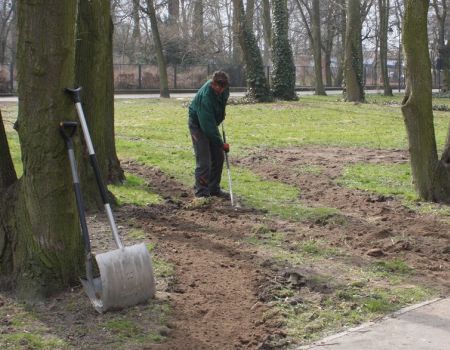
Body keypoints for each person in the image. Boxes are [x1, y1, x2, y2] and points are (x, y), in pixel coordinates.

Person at [188, 71, 230, 198]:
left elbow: (220, 104)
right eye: (218, 87)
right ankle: (201, 193)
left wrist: (220, 116)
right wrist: (221, 144)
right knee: (204, 161)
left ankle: (213, 189)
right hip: (198, 126)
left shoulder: (225, 89)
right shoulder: (206, 97)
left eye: (223, 88)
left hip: (210, 123)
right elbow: (207, 127)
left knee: (218, 157)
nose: (221, 90)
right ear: (213, 84)